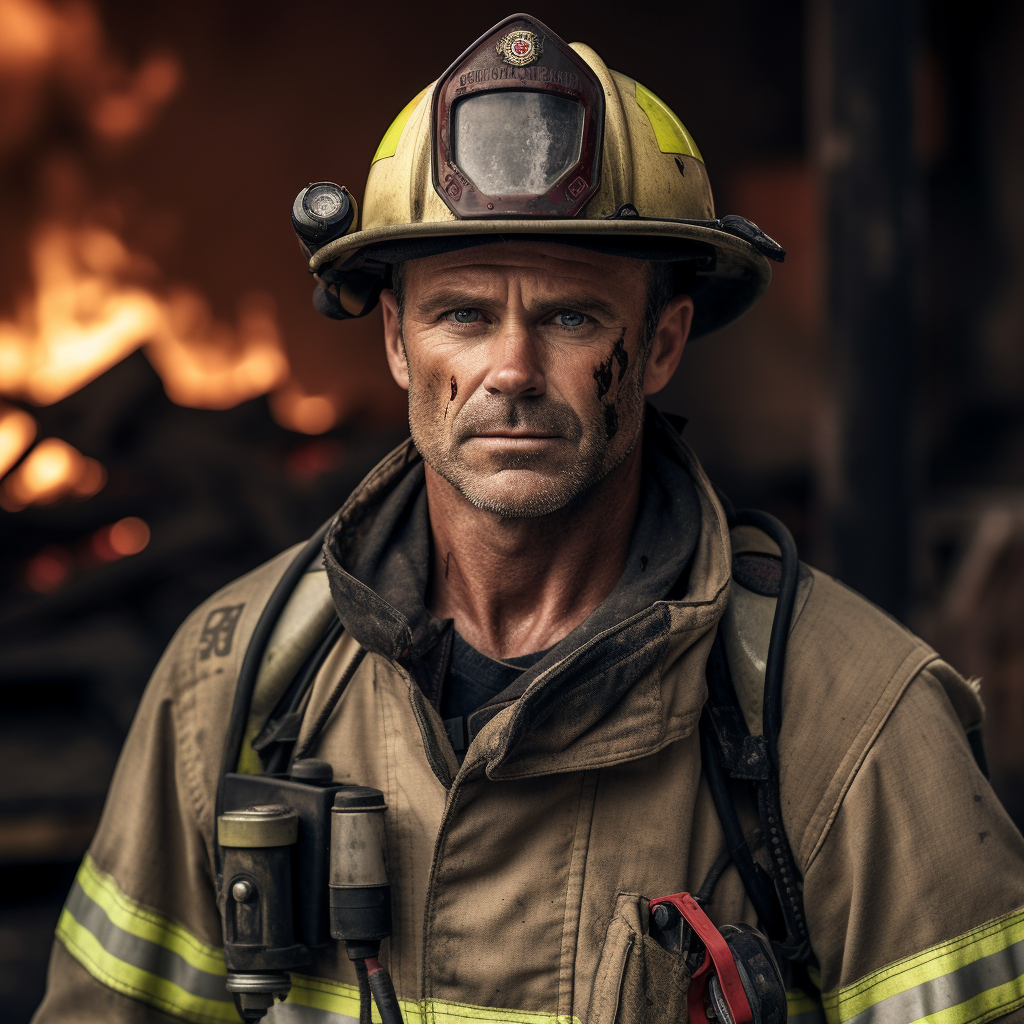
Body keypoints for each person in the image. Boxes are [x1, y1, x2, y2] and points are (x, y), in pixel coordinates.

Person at [33, 13, 1024, 1024]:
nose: (510, 371)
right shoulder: (233, 681)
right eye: (462, 313)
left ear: (662, 343)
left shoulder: (856, 727)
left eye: (570, 316)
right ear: (396, 342)